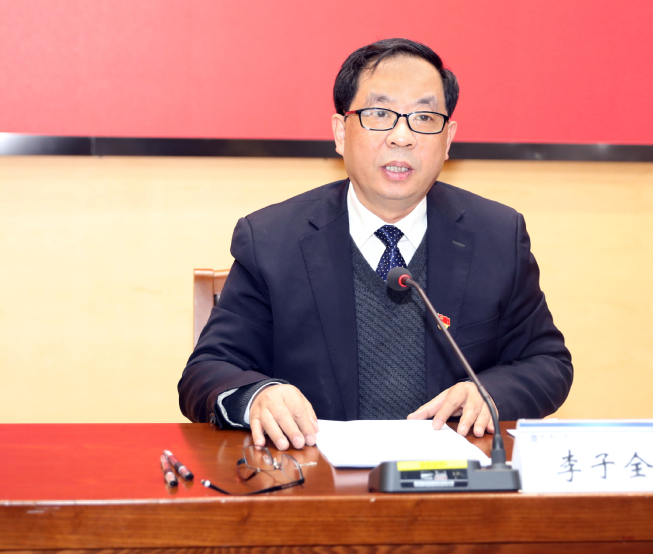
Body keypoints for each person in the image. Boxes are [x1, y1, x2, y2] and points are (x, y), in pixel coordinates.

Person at [178, 38, 572, 451]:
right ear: (340, 132)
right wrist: (257, 396)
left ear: (448, 139)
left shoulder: (497, 235)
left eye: (424, 118)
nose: (402, 137)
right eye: (380, 114)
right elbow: (207, 370)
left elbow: (547, 362)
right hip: (316, 477)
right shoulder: (272, 239)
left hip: (451, 478)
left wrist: (488, 393)